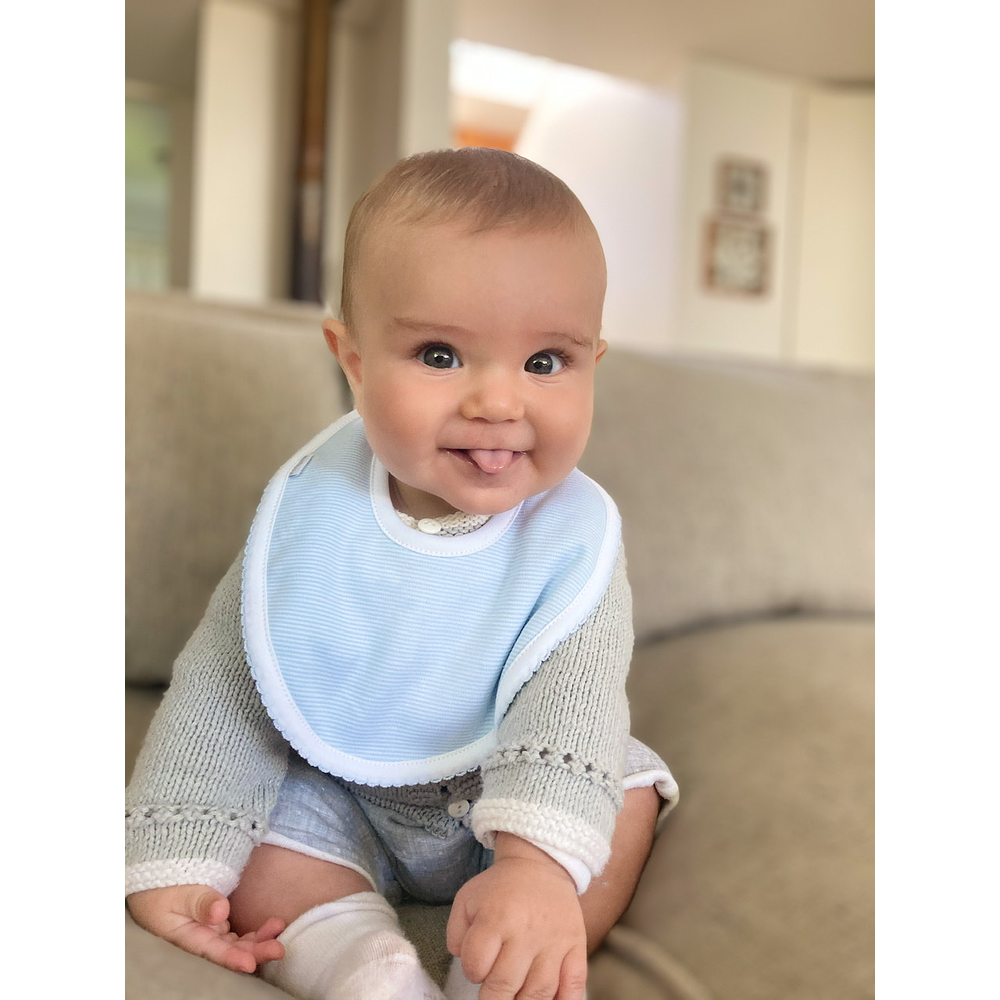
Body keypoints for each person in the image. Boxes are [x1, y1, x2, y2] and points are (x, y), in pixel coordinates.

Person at [126, 148, 677, 1000]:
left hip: (510, 785)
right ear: (351, 358)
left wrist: (535, 865)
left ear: (592, 363)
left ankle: (510, 966)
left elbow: (575, 699)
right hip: (344, 795)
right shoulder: (315, 513)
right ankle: (355, 959)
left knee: (625, 789)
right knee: (274, 832)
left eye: (544, 362)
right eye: (440, 354)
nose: (498, 403)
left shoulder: (573, 540)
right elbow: (228, 683)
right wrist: (179, 854)